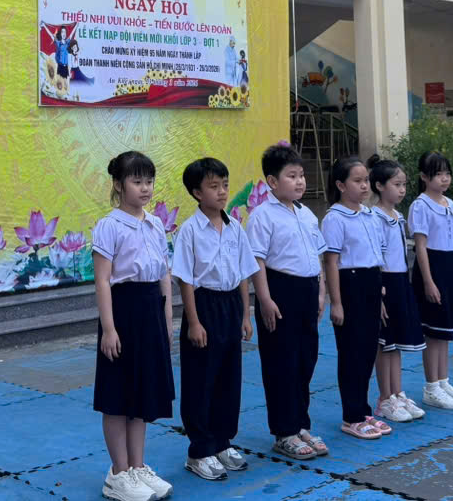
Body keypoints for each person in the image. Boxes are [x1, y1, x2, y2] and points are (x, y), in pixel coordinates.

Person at [91, 151, 176, 501]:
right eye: (137, 181)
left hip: (150, 310)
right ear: (118, 184)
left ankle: (138, 467)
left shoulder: (154, 223)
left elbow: (164, 273)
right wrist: (109, 328)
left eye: (149, 181)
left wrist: (167, 318)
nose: (145, 188)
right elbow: (103, 281)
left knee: (142, 393)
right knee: (117, 396)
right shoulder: (109, 226)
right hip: (123, 312)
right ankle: (119, 473)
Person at [171, 157, 256, 481]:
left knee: (228, 377)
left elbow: (243, 272)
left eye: (225, 185)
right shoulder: (190, 231)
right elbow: (186, 279)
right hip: (204, 306)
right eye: (213, 186)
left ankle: (222, 441)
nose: (222, 192)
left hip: (230, 304)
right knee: (201, 380)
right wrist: (194, 322)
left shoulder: (235, 227)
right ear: (197, 192)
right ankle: (200, 450)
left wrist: (245, 315)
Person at [248, 143, 329, 461]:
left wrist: (321, 292)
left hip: (308, 291)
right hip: (279, 292)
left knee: (306, 360)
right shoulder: (262, 216)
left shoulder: (306, 214)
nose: (299, 182)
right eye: (291, 176)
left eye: (302, 175)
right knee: (281, 363)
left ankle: (301, 425)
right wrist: (265, 299)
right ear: (272, 181)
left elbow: (318, 256)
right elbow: (257, 261)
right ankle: (284, 432)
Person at [322, 157, 391, 440]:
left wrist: (380, 291)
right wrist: (336, 302)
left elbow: (376, 256)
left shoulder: (370, 215)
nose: (364, 186)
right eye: (357, 181)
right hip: (349, 284)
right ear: (341, 185)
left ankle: (363, 411)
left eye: (366, 180)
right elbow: (331, 262)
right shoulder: (334, 218)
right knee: (351, 353)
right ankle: (351, 416)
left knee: (367, 351)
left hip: (371, 282)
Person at [409, 151, 453, 410]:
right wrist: (428, 281)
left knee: (446, 331)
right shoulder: (420, 206)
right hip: (432, 267)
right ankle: (431, 386)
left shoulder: (451, 205)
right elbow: (421, 247)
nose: (444, 179)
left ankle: (444, 381)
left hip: (449, 268)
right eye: (438, 174)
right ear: (424, 177)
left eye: (447, 173)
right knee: (433, 331)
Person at [368, 155, 426, 424]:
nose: (402, 190)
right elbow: (376, 256)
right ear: (379, 186)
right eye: (396, 184)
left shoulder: (398, 216)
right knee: (385, 343)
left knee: (397, 343)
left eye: (404, 185)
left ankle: (397, 392)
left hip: (401, 280)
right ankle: (384, 399)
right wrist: (379, 290)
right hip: (385, 283)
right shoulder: (374, 217)